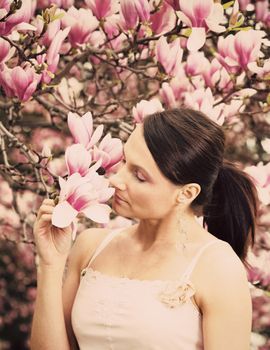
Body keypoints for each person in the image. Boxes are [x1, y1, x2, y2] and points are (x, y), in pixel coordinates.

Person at [30, 108, 258, 350]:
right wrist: (50, 265)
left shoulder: (217, 267)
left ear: (186, 193)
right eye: (125, 162)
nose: (117, 180)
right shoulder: (91, 246)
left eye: (139, 176)